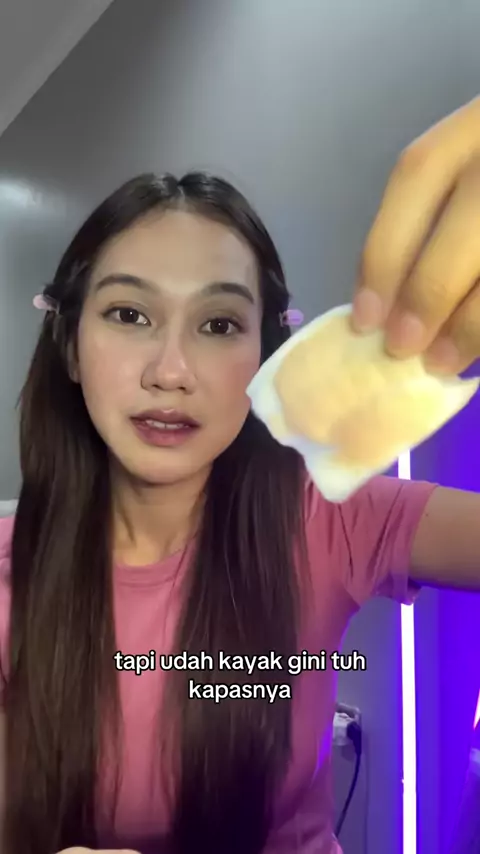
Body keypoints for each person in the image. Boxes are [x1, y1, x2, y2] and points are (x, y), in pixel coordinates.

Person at [1, 95, 480, 854]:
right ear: (68, 346)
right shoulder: (10, 570)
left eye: (219, 325)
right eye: (129, 315)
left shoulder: (330, 516)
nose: (171, 371)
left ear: (264, 355)